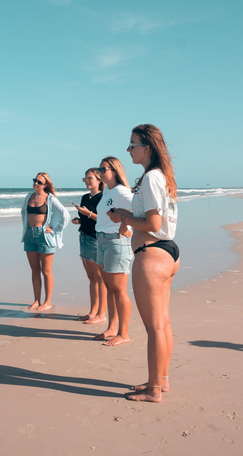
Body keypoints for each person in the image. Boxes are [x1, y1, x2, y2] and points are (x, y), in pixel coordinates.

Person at [109, 124, 179, 402]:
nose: (128, 150)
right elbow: (155, 219)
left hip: (151, 256)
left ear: (147, 147)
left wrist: (123, 219)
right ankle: (160, 382)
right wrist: (128, 213)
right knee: (163, 324)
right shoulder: (163, 176)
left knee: (155, 328)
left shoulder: (151, 178)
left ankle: (153, 390)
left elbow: (152, 223)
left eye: (132, 144)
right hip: (167, 253)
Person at [94, 156, 133, 346]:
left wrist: (126, 223)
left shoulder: (121, 191)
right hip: (102, 240)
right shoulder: (108, 191)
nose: (99, 173)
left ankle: (123, 333)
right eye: (99, 170)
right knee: (109, 288)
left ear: (114, 171)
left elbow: (141, 210)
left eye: (103, 169)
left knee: (119, 290)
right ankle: (112, 328)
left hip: (116, 243)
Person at [21, 172, 71, 311]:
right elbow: (23, 213)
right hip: (29, 236)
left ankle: (47, 301)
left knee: (46, 271)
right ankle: (36, 300)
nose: (36, 183)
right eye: (35, 181)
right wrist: (25, 227)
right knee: (35, 270)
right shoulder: (28, 197)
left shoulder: (50, 198)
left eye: (39, 182)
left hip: (44, 237)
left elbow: (65, 215)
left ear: (45, 185)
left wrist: (55, 230)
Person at [71, 168, 107, 324]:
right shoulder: (85, 197)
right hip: (83, 237)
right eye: (85, 178)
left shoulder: (103, 197)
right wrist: (78, 220)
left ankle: (101, 313)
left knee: (100, 279)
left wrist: (88, 214)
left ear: (99, 180)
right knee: (91, 278)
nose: (86, 180)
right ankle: (93, 311)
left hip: (95, 239)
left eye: (89, 178)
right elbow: (85, 218)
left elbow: (106, 220)